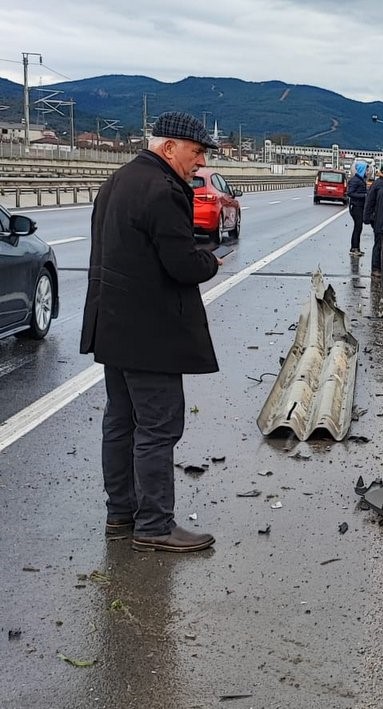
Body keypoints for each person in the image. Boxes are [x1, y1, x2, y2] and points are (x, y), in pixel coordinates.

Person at [81, 111, 223, 553]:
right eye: (195, 152)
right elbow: (180, 264)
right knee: (158, 429)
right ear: (168, 147)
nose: (199, 163)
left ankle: (120, 513)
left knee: (120, 423)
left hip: (113, 327)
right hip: (151, 334)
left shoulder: (116, 182)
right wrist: (209, 261)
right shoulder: (163, 190)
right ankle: (156, 523)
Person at [346, 161, 369, 256]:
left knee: (358, 227)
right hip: (356, 207)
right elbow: (350, 193)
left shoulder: (360, 179)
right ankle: (354, 248)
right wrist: (364, 195)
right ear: (362, 170)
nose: (367, 172)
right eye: (366, 170)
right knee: (357, 227)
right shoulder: (355, 180)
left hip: (359, 206)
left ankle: (356, 247)